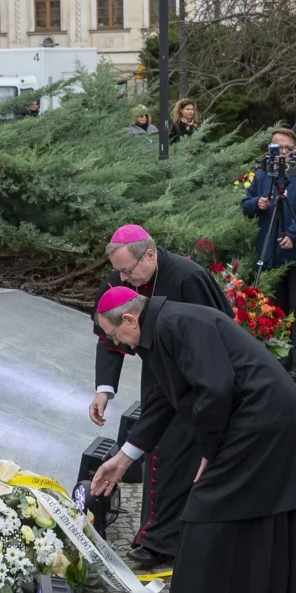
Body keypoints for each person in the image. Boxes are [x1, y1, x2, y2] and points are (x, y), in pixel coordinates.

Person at [87, 289, 296, 593]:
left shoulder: (174, 323)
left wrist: (209, 450)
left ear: (131, 320)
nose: (114, 341)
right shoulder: (162, 325)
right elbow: (165, 397)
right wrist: (123, 458)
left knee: (207, 502)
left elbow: (215, 389)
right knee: (267, 501)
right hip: (264, 410)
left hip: (261, 414)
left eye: (112, 333)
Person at [90, 225, 231, 563]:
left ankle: (172, 537)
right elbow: (109, 335)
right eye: (119, 270)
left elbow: (219, 330)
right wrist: (104, 389)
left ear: (150, 255)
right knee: (159, 452)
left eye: (129, 270)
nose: (124, 278)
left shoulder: (187, 277)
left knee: (186, 454)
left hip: (197, 382)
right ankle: (157, 537)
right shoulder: (120, 277)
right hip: (158, 378)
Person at [241, 127, 296, 379]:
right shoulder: (263, 175)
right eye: (278, 148)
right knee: (274, 307)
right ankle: (278, 359)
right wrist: (257, 203)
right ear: (270, 149)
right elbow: (246, 203)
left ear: (295, 149)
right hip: (270, 250)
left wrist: (292, 234)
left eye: (287, 148)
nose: (283, 153)